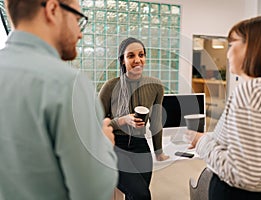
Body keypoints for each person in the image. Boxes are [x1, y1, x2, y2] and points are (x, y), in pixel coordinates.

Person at [0, 0, 118, 199]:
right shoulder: (67, 84)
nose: (80, 33)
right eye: (78, 20)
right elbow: (94, 193)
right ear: (52, 9)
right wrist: (104, 144)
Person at [186, 15, 261, 200]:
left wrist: (202, 142)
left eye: (233, 44)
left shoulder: (250, 90)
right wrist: (210, 137)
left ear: (254, 47)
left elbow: (241, 173)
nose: (228, 54)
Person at [99, 37, 170, 200]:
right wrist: (122, 120)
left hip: (140, 145)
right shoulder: (110, 86)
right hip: (116, 147)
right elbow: (97, 124)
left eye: (141, 55)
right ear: (123, 60)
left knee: (137, 195)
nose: (137, 60)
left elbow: (156, 122)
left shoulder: (156, 86)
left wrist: (159, 151)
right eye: (131, 56)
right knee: (142, 195)